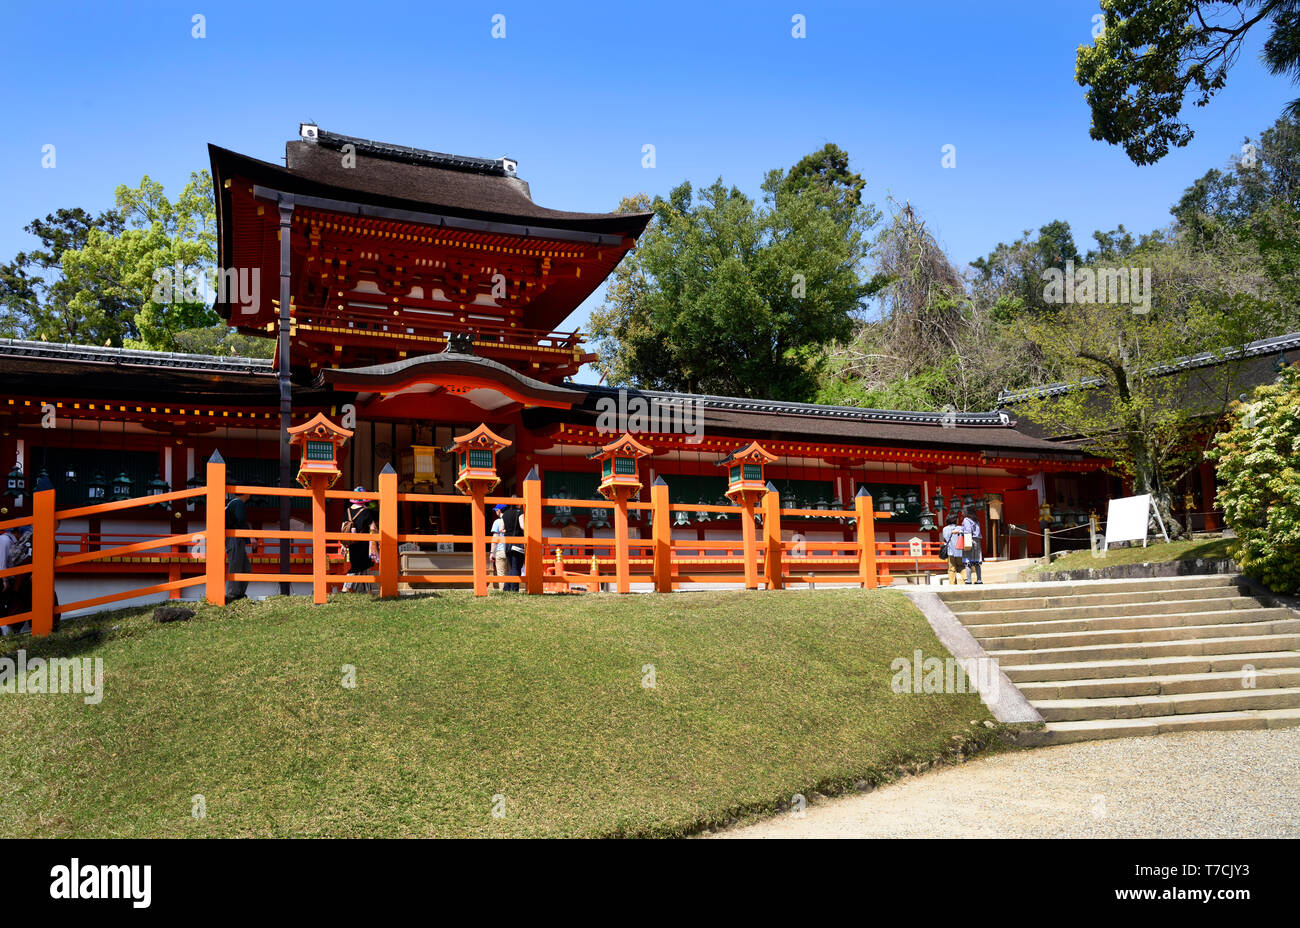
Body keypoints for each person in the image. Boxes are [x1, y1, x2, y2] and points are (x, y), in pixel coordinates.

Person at [342, 489, 377, 593]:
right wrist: (377, 539)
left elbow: (343, 527)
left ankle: (368, 591)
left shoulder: (347, 511)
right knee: (358, 566)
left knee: (364, 565)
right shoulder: (365, 511)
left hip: (351, 542)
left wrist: (343, 544)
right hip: (363, 543)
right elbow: (373, 527)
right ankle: (346, 587)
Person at [225, 491, 252, 601]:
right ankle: (232, 595)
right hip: (235, 537)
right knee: (236, 565)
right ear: (246, 493)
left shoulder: (232, 503)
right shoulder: (238, 503)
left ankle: (239, 594)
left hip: (235, 538)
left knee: (245, 567)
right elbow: (241, 520)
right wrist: (251, 536)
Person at [502, 502, 524, 592]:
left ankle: (506, 588)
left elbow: (502, 529)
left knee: (512, 567)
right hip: (517, 542)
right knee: (516, 567)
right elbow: (523, 526)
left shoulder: (505, 514)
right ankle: (514, 589)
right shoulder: (520, 513)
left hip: (507, 542)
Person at [940, 513, 965, 586]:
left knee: (951, 568)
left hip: (950, 551)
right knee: (962, 567)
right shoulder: (960, 528)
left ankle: (952, 584)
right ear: (955, 520)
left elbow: (945, 538)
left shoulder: (945, 529)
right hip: (960, 551)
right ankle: (966, 579)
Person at [961, 507, 984, 584]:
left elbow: (967, 531)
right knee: (977, 561)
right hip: (977, 542)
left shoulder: (966, 520)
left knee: (967, 561)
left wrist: (960, 531)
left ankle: (969, 580)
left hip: (969, 541)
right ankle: (979, 580)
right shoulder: (976, 520)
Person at [490, 504, 508, 583]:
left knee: (501, 574)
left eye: (496, 510)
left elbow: (495, 538)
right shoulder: (511, 520)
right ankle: (513, 591)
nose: (495, 512)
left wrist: (492, 553)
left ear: (499, 510)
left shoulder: (497, 522)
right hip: (511, 549)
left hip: (501, 550)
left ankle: (503, 592)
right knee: (512, 573)